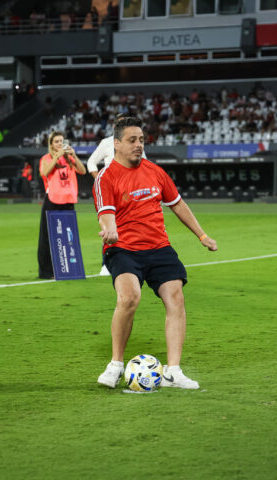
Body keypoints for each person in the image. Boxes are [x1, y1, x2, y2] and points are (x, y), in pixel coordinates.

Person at [93, 117, 217, 390]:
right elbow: (106, 214)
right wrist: (110, 230)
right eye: (132, 140)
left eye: (141, 140)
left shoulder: (156, 172)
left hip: (159, 247)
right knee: (129, 297)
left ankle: (173, 371)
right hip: (123, 248)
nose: (139, 145)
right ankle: (115, 366)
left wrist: (202, 235)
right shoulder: (106, 177)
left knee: (176, 298)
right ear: (116, 144)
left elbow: (178, 204)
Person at [87, 114, 147, 276]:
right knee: (109, 225)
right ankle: (106, 264)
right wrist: (100, 180)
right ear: (114, 127)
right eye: (120, 123)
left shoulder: (135, 143)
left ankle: (136, 259)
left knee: (132, 224)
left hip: (132, 190)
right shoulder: (106, 143)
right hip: (111, 189)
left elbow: (143, 164)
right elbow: (91, 162)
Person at [37, 130, 86, 279]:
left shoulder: (69, 158)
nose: (60, 144)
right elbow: (44, 173)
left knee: (68, 237)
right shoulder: (46, 158)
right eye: (56, 141)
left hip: (68, 200)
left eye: (61, 141)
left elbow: (82, 171)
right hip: (52, 200)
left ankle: (69, 269)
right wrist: (56, 157)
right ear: (51, 144)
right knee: (47, 237)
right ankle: (46, 272)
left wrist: (74, 156)